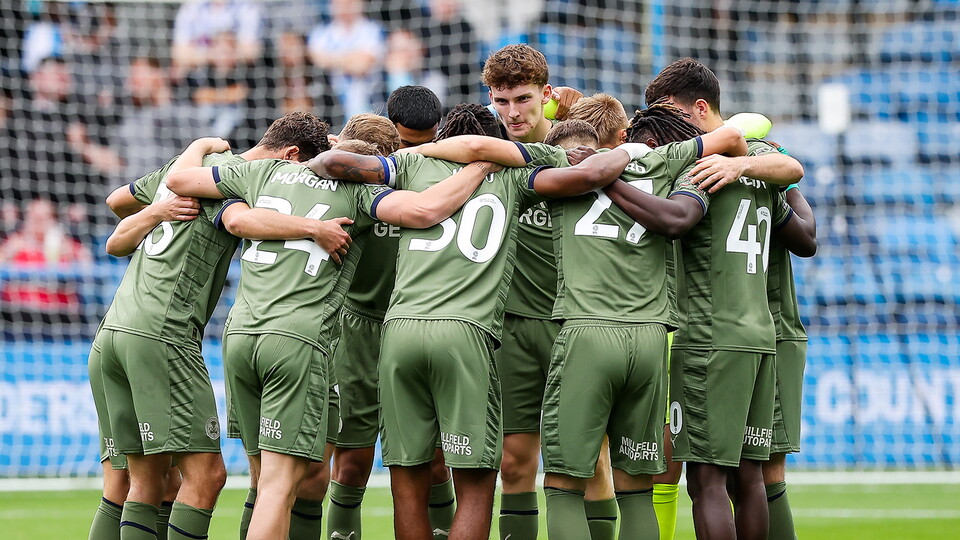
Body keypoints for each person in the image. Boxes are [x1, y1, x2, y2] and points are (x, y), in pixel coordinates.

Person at [306, 128, 649, 540]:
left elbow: (332, 164)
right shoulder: (514, 175)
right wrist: (625, 149)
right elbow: (587, 176)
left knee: (406, 477)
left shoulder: (411, 165)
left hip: (400, 330)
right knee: (478, 478)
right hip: (467, 332)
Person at [165, 130, 498, 540]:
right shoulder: (359, 195)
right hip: (295, 339)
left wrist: (198, 144)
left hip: (238, 337)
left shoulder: (265, 172)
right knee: (279, 486)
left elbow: (180, 182)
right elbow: (426, 210)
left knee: (262, 479)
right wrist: (481, 166)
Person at [87, 112, 334, 540]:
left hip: (113, 332)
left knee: (142, 482)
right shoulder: (237, 182)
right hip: (162, 334)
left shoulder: (184, 171)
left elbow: (116, 203)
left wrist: (186, 164)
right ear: (291, 155)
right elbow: (240, 222)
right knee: (206, 477)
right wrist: (314, 227)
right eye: (302, 169)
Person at [540, 107, 747, 540]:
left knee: (564, 486)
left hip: (587, 332)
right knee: (635, 487)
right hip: (651, 339)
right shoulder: (665, 162)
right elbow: (729, 137)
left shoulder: (558, 169)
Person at [641, 58, 812, 540]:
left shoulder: (697, 168)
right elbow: (795, 190)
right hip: (760, 335)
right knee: (750, 475)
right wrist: (746, 161)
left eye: (669, 112)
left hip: (708, 336)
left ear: (699, 109)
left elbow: (671, 221)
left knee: (706, 478)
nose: (667, 124)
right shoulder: (757, 166)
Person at [481, 43, 623, 540]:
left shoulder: (581, 151)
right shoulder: (487, 154)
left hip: (575, 325)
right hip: (514, 326)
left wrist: (578, 105)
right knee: (514, 462)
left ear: (545, 95)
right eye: (501, 102)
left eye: (523, 99)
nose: (512, 113)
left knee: (589, 461)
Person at [307, 0, 386, 120]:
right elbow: (318, 59)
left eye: (349, 3)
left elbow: (362, 65)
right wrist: (351, 58)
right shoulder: (320, 33)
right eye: (339, 3)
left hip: (370, 95)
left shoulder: (372, 29)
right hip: (332, 97)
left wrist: (333, 59)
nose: (344, 8)